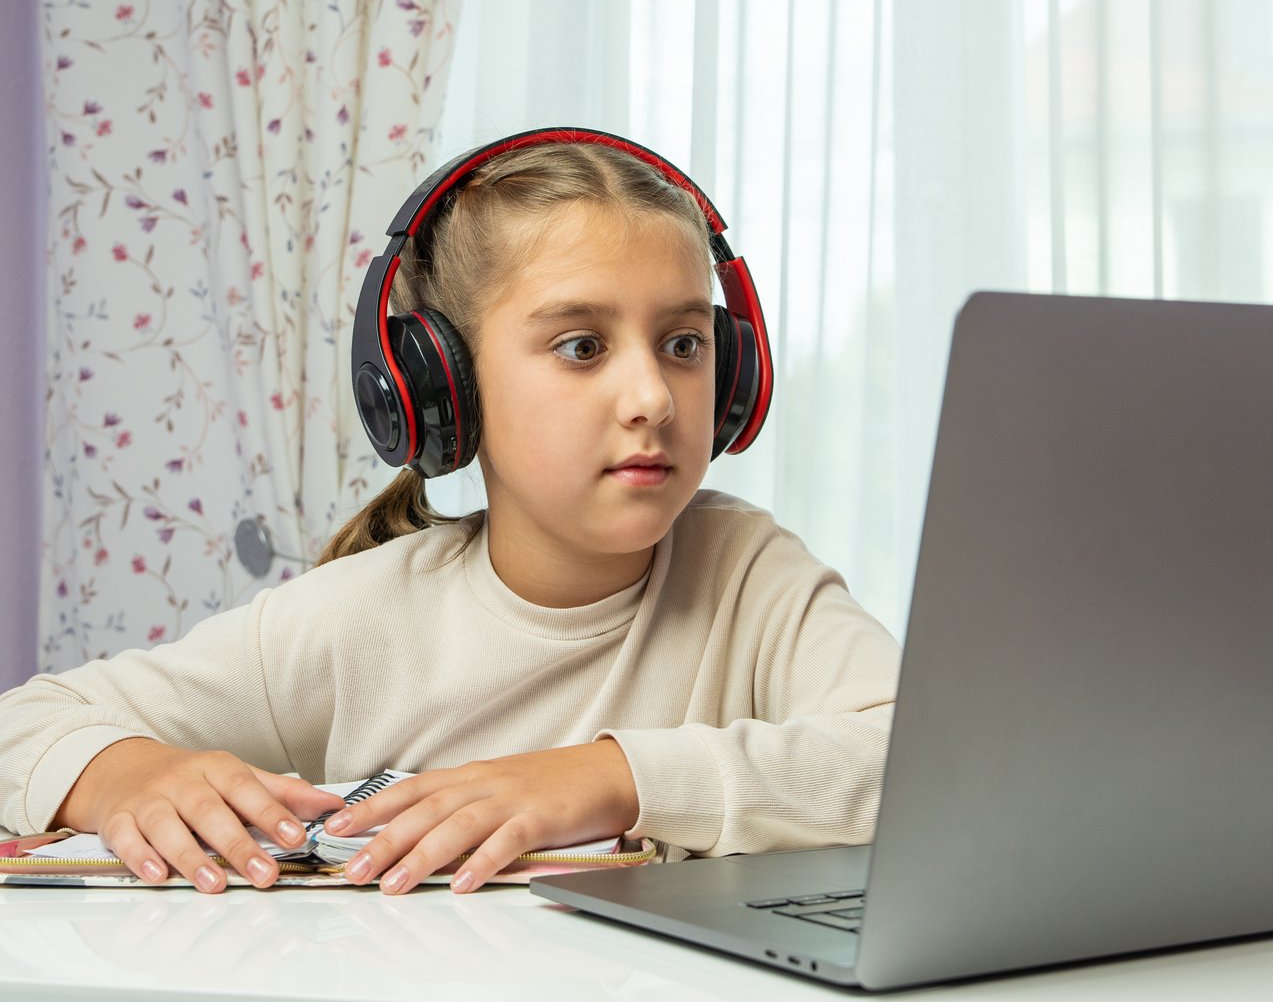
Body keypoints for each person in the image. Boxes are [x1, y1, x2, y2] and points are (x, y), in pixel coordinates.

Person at [0, 134, 899, 895]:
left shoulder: (750, 576)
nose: (652, 397)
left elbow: (925, 763)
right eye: (581, 346)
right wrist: (123, 775)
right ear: (440, 385)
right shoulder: (358, 620)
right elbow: (25, 723)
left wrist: (610, 777)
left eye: (683, 343)